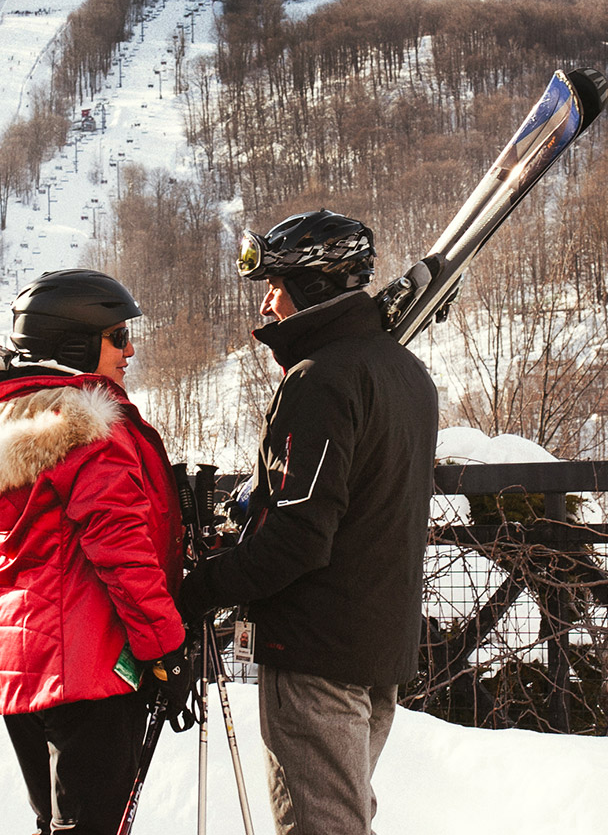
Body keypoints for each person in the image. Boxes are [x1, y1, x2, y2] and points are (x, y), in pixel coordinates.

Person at [178, 210, 439, 835]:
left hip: (317, 654)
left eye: (277, 286)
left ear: (314, 289)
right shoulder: (406, 372)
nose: (268, 302)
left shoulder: (321, 381)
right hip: (376, 648)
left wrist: (199, 590)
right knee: (345, 818)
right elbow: (353, 504)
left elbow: (299, 538)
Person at [0, 268, 191, 835]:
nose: (129, 349)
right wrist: (164, 646)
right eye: (117, 337)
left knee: (58, 825)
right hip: (91, 662)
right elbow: (120, 547)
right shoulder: (88, 430)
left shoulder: (6, 422)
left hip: (22, 663)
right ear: (76, 343)